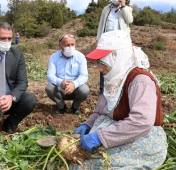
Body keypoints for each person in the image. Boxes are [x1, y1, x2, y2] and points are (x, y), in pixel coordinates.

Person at [71, 30, 167, 169]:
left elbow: (142, 121)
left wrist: (99, 137)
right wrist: (88, 124)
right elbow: (100, 111)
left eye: (102, 62)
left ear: (116, 56)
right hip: (116, 132)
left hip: (140, 136)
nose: (99, 68)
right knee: (78, 158)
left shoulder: (140, 81)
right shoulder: (114, 80)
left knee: (88, 165)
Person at [45, 34, 89, 115]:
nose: (70, 47)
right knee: (49, 88)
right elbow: (50, 76)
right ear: (60, 46)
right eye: (67, 45)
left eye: (72, 44)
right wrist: (60, 82)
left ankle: (75, 107)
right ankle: (61, 106)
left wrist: (74, 84)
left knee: (84, 90)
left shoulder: (81, 57)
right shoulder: (54, 57)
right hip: (61, 88)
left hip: (76, 89)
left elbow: (84, 76)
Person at [96, 0, 133, 95]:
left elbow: (130, 20)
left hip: (121, 42)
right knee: (104, 63)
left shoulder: (127, 9)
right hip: (107, 41)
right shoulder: (106, 9)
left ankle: (120, 88)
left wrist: (123, 6)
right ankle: (102, 89)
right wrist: (99, 39)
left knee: (121, 64)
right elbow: (101, 24)